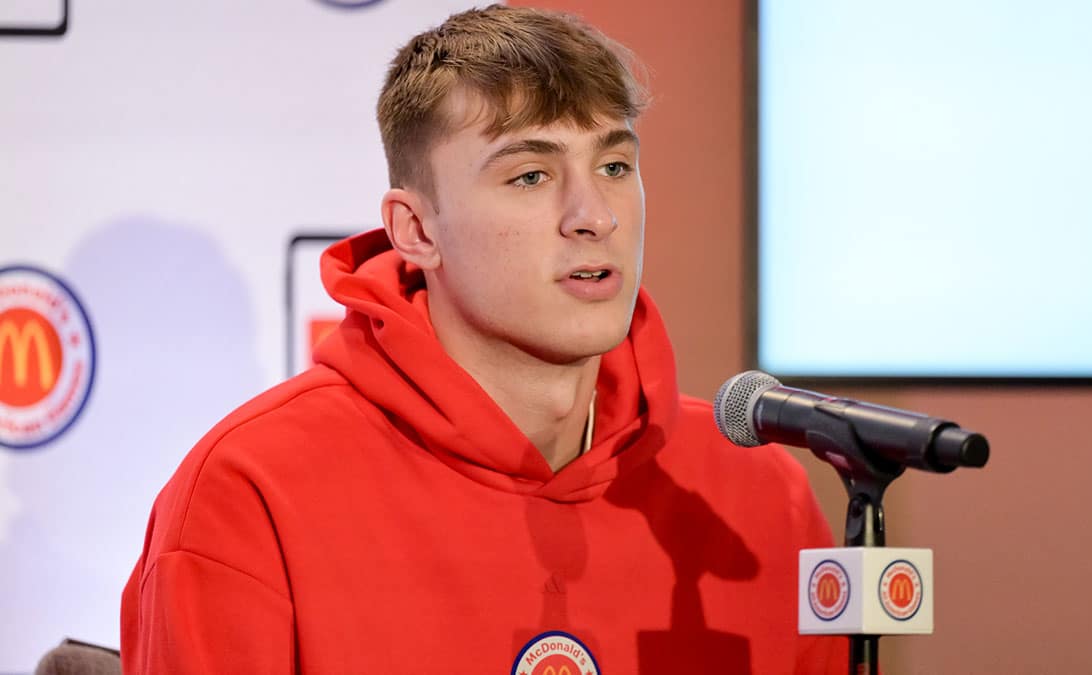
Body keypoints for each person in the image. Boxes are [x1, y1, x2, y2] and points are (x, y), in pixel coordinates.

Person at [120, 5, 848, 673]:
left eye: (615, 166)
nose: (593, 215)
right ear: (417, 230)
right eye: (531, 175)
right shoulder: (249, 492)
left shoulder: (756, 493)